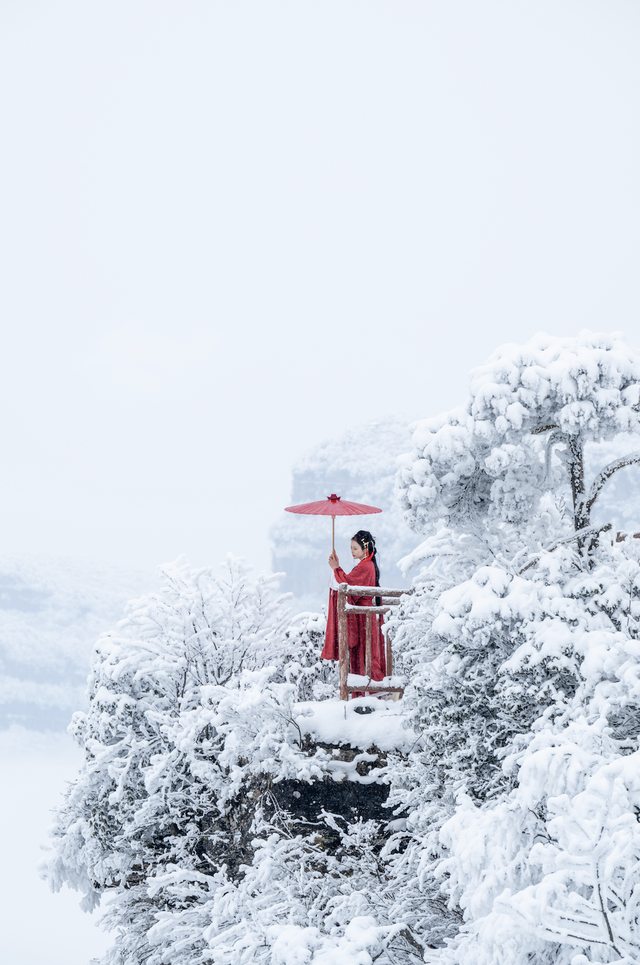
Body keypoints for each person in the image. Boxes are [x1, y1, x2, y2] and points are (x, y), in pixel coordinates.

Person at [321, 529, 386, 682]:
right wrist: (337, 568)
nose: (352, 551)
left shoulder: (365, 566)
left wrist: (336, 568)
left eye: (355, 548)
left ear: (366, 548)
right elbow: (349, 581)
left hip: (363, 616)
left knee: (366, 654)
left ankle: (370, 688)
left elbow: (347, 584)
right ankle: (366, 689)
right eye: (351, 547)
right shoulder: (367, 565)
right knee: (366, 653)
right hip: (363, 615)